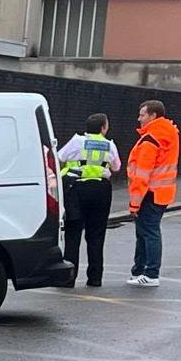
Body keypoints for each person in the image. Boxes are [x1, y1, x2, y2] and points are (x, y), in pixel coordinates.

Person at [56, 113, 123, 287]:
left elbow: (59, 158)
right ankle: (95, 278)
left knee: (73, 234)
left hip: (77, 190)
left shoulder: (77, 141)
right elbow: (116, 167)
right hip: (101, 191)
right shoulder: (109, 145)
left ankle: (68, 279)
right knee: (96, 235)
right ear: (103, 128)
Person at [127, 100, 180, 287]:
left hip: (150, 193)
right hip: (162, 192)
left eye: (142, 114)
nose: (139, 118)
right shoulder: (168, 132)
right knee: (146, 232)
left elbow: (142, 173)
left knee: (149, 232)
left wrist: (134, 203)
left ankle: (150, 273)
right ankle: (140, 271)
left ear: (153, 116)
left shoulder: (151, 139)